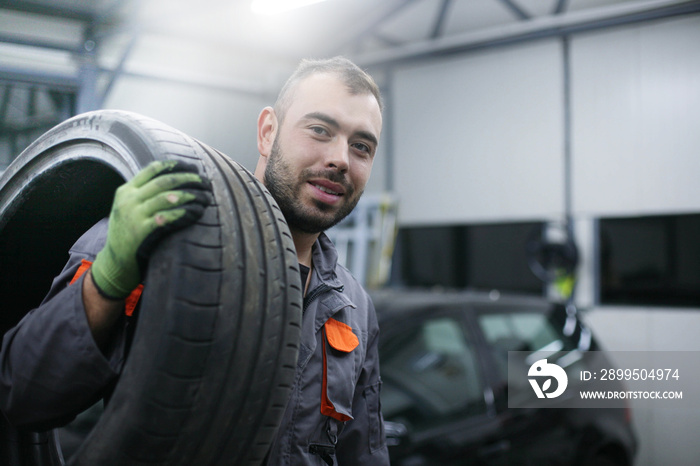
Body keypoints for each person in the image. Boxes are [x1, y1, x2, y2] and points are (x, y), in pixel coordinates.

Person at [0, 56, 389, 465]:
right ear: (268, 132)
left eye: (361, 146)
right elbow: (22, 397)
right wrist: (108, 280)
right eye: (319, 130)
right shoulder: (157, 240)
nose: (341, 159)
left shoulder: (354, 308)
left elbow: (365, 454)